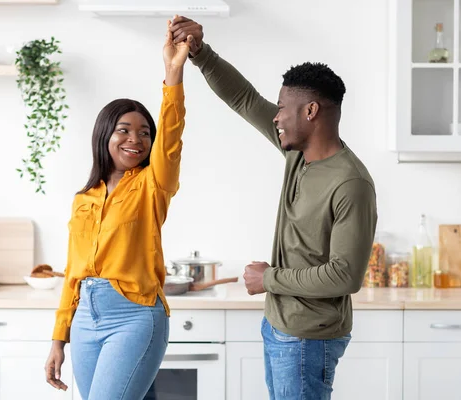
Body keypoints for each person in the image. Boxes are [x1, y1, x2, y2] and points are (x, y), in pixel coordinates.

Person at [170, 16, 378, 400]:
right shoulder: (298, 154)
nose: (277, 116)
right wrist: (200, 54)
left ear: (311, 111)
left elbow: (345, 277)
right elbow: (243, 98)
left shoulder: (351, 183)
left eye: (283, 107)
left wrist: (268, 279)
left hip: (307, 338)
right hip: (281, 327)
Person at [44, 22, 194, 400]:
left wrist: (173, 72)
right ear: (104, 135)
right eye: (124, 130)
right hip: (85, 322)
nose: (136, 139)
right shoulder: (85, 198)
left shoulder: (152, 186)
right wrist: (58, 338)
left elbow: (171, 137)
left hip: (135, 315)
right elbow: (74, 272)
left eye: (145, 132)